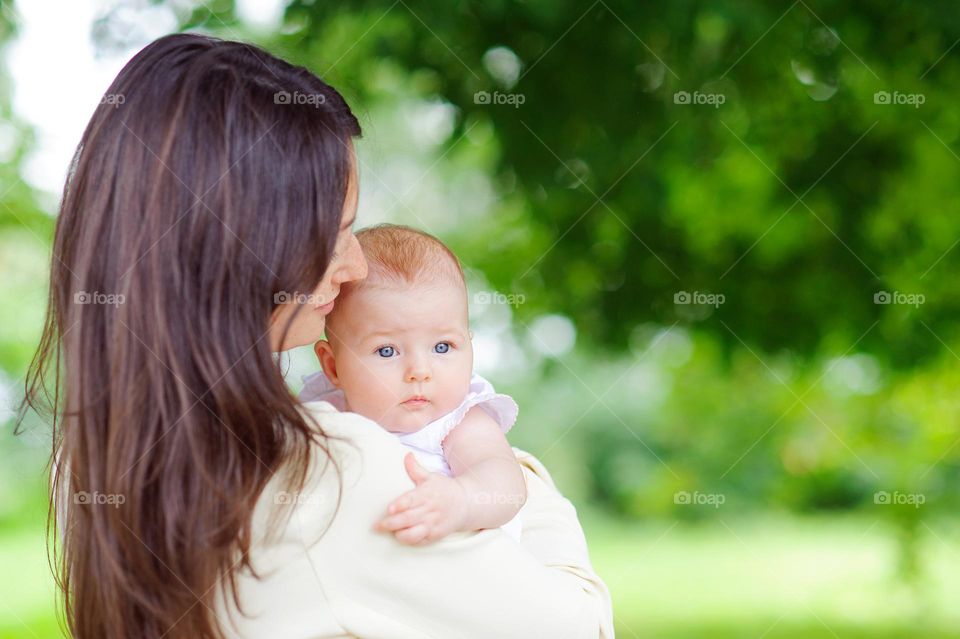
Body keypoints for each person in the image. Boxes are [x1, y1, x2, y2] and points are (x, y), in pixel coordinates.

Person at [19, 32, 615, 638]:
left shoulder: (91, 453)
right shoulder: (329, 469)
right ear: (245, 242)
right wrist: (506, 464)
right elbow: (578, 625)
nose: (355, 267)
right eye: (337, 230)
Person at [299, 223, 526, 544]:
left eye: (442, 347)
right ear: (332, 366)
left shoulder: (458, 419)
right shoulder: (324, 414)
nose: (419, 371)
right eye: (387, 351)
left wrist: (461, 500)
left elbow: (504, 481)